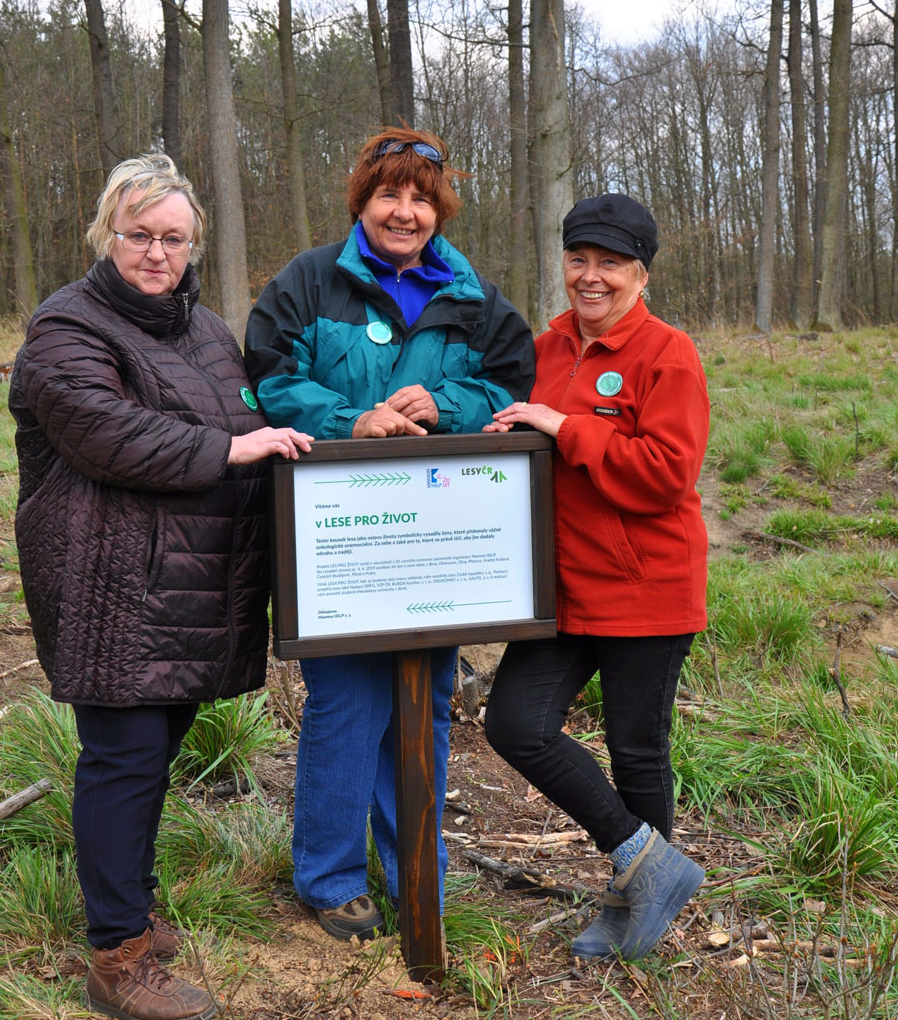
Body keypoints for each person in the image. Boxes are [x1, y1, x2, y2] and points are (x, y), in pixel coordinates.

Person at [10, 154, 311, 1020]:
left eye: (172, 238)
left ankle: (131, 909)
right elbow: (105, 432)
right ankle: (115, 957)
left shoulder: (208, 331)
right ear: (108, 236)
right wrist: (233, 452)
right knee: (123, 757)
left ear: (192, 245)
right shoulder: (64, 328)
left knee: (154, 753)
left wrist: (314, 448)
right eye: (139, 234)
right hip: (109, 584)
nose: (155, 252)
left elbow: (252, 419)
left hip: (189, 585)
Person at [244, 127, 534, 941]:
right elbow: (267, 380)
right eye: (388, 196)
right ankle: (329, 877)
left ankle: (417, 872)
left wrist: (453, 407)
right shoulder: (307, 282)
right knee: (346, 701)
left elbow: (513, 386)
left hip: (438, 541)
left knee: (426, 697)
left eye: (420, 199)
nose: (404, 212)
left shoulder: (479, 300)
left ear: (438, 210)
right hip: (342, 536)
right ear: (362, 203)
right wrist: (349, 420)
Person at [483, 193, 708, 960]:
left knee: (637, 750)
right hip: (560, 588)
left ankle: (636, 905)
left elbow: (666, 475)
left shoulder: (666, 353)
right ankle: (652, 866)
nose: (591, 277)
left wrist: (564, 427)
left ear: (640, 275)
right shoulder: (542, 350)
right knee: (515, 724)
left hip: (646, 585)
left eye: (610, 263)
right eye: (579, 259)